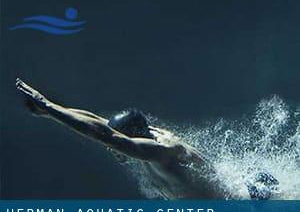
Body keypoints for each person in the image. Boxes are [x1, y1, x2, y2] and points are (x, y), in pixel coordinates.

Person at [15, 78, 277, 199]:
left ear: (132, 138)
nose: (111, 149)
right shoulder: (146, 137)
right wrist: (51, 111)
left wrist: (48, 107)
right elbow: (99, 124)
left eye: (115, 144)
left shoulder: (161, 152)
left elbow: (105, 135)